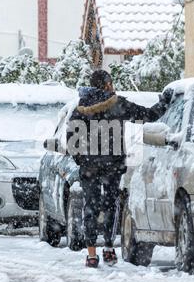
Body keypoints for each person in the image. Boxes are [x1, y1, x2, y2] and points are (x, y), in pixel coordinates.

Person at [67, 70, 170, 268]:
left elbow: (72, 138)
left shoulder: (80, 108)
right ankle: (108, 248)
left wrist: (82, 159)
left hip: (89, 167)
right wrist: (165, 100)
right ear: (107, 85)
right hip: (112, 166)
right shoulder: (118, 104)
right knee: (110, 205)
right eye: (111, 83)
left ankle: (91, 254)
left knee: (90, 206)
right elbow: (149, 115)